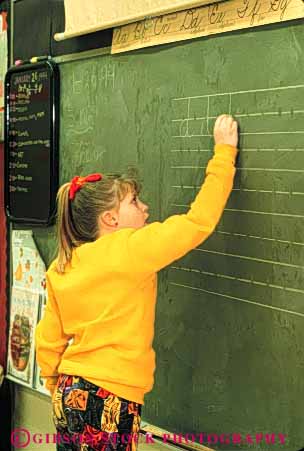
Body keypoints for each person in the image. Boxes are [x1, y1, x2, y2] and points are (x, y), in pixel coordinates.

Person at [35, 114, 239, 451]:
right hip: (110, 399)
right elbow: (197, 223)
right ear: (111, 218)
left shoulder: (63, 265)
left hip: (70, 393)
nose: (145, 209)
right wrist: (223, 154)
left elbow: (48, 340)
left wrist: (57, 385)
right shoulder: (129, 248)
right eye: (134, 202)